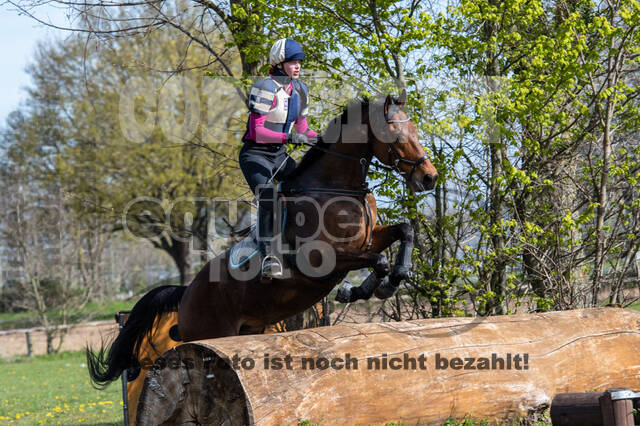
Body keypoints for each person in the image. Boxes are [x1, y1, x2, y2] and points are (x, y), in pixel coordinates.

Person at [239, 38, 318, 279]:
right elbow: (257, 132)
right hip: (256, 156)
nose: (298, 66)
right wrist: (289, 137)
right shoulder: (265, 87)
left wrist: (327, 138)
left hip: (279, 157)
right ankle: (268, 256)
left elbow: (304, 130)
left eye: (300, 62)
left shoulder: (300, 90)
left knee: (310, 186)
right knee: (269, 198)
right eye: (293, 61)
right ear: (279, 63)